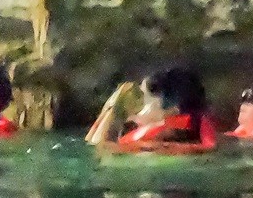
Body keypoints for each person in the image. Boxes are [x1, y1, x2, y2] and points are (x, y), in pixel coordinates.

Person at [86, 64, 217, 151]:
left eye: (144, 97)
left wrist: (114, 109)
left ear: (172, 108)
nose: (137, 109)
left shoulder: (158, 139)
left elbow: (100, 147)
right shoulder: (196, 131)